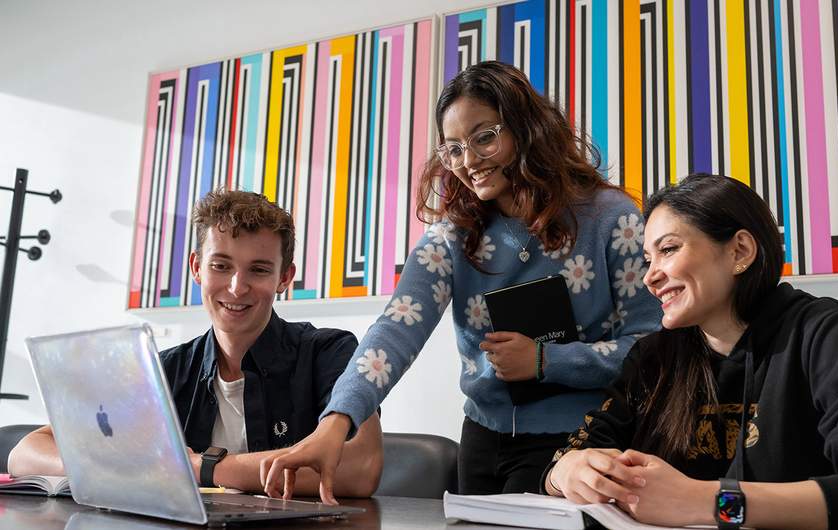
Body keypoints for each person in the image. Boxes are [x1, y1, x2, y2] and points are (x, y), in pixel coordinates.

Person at [258, 61, 662, 501]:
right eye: (453, 149)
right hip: (482, 441)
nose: (468, 162)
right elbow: (395, 331)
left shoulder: (610, 218)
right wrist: (335, 423)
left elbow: (651, 348)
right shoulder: (452, 236)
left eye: (484, 137)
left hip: (582, 441)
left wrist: (549, 360)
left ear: (528, 129)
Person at [542, 174, 838, 529]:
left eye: (667, 250)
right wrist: (567, 471)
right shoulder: (652, 357)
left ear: (740, 251)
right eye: (647, 258)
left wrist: (708, 502)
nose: (650, 276)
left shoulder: (823, 332)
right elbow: (570, 457)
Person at [8, 189, 383, 497]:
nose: (237, 287)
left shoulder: (330, 351)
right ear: (196, 268)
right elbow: (26, 453)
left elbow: (360, 468)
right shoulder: (162, 369)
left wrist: (199, 468)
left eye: (259, 269)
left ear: (285, 277)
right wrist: (127, 469)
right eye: (221, 265)